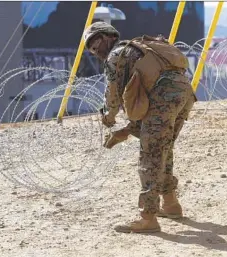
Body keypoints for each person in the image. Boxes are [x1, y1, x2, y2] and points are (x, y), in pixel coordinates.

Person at [83, 22, 197, 233]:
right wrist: (125, 131)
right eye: (90, 47)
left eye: (95, 42)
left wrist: (108, 118)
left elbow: (113, 96)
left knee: (150, 156)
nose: (94, 49)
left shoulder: (116, 56)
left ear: (108, 37)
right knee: (163, 147)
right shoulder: (138, 50)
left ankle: (148, 218)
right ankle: (171, 204)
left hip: (163, 96)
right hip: (183, 94)